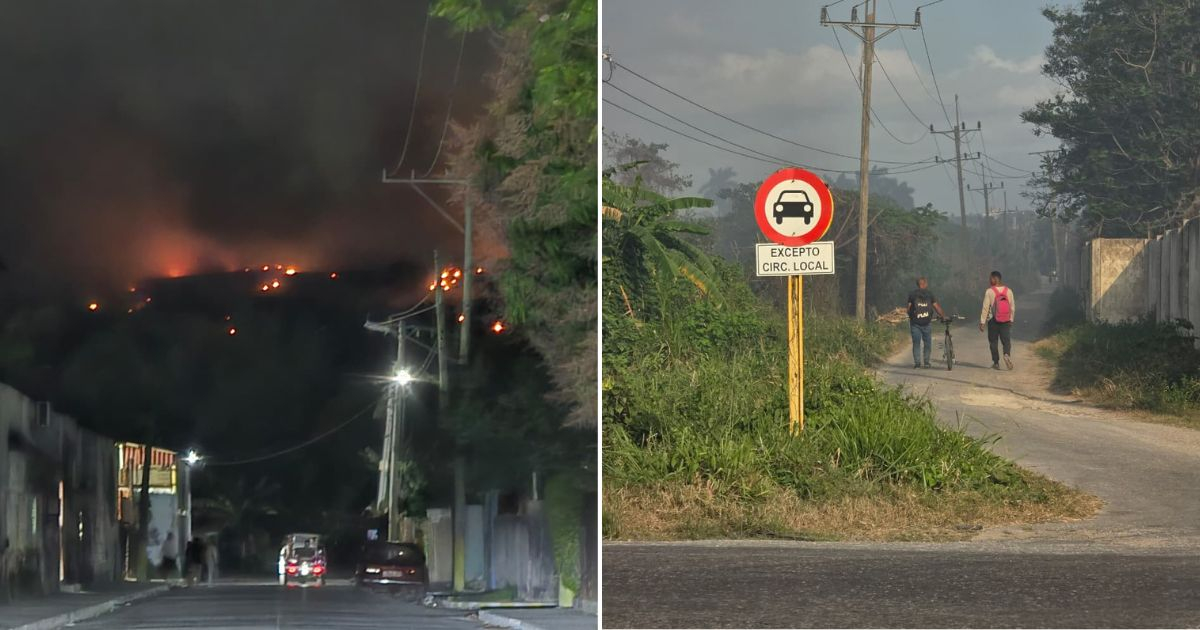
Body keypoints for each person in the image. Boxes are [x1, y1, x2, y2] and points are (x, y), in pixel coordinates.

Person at [979, 270, 1016, 370]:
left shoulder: (989, 291)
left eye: (990, 278)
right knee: (1006, 340)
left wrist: (982, 322)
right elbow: (1012, 307)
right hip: (1006, 320)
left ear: (995, 279)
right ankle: (1007, 354)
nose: (989, 280)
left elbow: (985, 308)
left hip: (993, 321)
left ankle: (996, 363)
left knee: (993, 342)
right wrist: (1011, 319)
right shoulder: (1009, 291)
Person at [906, 277, 946, 368]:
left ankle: (917, 364)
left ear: (918, 284)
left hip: (915, 323)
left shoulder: (912, 294)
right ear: (924, 284)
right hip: (927, 323)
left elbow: (908, 309)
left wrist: (911, 316)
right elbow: (937, 307)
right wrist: (943, 316)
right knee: (927, 343)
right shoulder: (930, 294)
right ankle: (927, 363)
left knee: (916, 343)